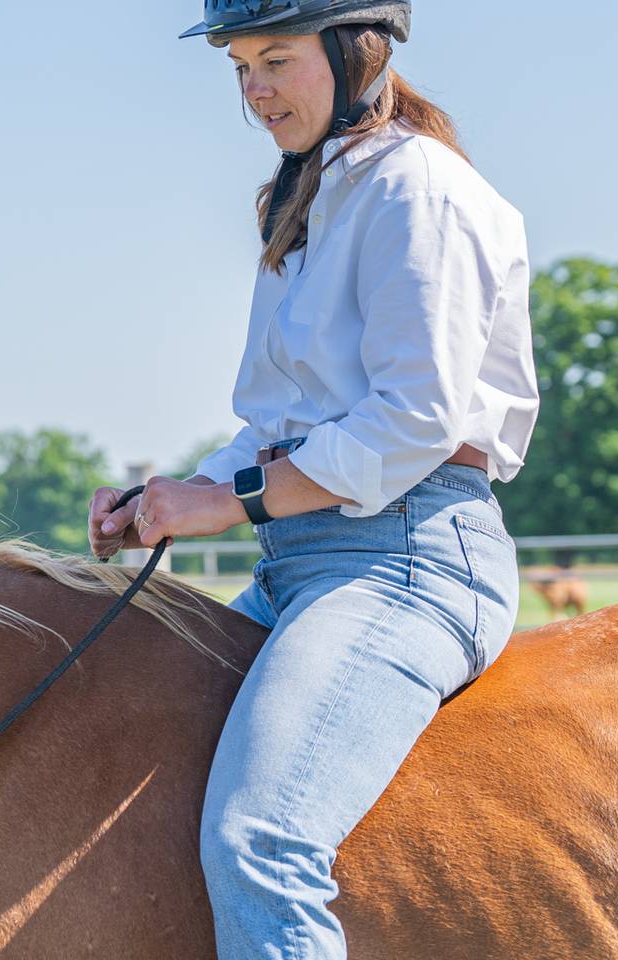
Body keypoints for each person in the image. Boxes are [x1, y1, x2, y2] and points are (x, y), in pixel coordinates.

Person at [88, 2, 537, 957]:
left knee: (261, 841)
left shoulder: (417, 191)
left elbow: (414, 421)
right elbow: (282, 425)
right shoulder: (312, 197)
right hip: (301, 562)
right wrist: (173, 495)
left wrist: (230, 503)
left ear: (355, 52)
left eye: (276, 60)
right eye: (241, 67)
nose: (254, 91)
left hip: (408, 558)